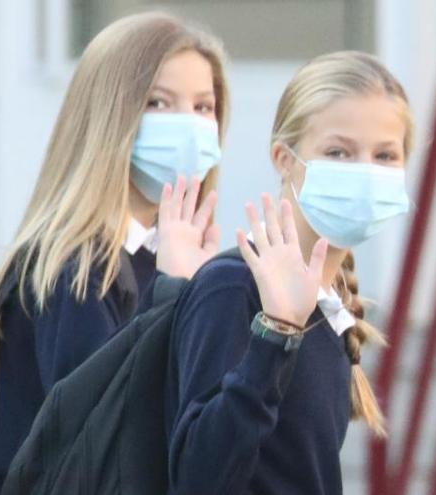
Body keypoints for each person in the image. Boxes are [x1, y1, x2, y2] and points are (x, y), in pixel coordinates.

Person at [0, 12, 229, 494]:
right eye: (158, 103)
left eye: (204, 107)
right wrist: (175, 296)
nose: (188, 124)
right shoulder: (74, 267)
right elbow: (106, 440)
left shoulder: (167, 257)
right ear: (109, 117)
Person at [165, 50, 413, 494]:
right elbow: (197, 477)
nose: (365, 173)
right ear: (283, 158)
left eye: (385, 155)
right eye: (338, 152)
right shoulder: (234, 288)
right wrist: (276, 334)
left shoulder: (331, 304)